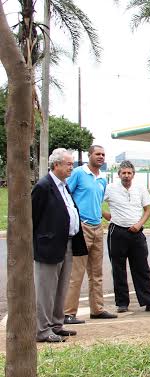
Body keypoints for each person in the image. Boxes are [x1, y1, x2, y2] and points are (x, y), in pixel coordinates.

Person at [32, 148, 88, 342]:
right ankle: (42, 330)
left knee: (61, 287)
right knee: (45, 290)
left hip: (67, 243)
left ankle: (56, 324)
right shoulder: (43, 186)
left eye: (72, 164)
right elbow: (33, 218)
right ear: (56, 165)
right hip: (49, 246)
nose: (71, 167)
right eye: (68, 164)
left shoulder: (64, 185)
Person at [64, 145, 117, 323]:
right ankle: (68, 313)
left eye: (103, 154)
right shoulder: (79, 173)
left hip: (97, 228)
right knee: (76, 273)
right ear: (89, 156)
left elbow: (96, 201)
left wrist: (103, 215)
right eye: (97, 154)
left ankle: (97, 309)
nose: (101, 157)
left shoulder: (102, 179)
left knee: (97, 273)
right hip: (82, 227)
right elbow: (66, 195)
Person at [103, 160, 150, 314]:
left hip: (136, 233)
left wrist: (139, 224)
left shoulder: (140, 188)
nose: (126, 176)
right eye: (124, 173)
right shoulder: (110, 189)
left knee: (142, 268)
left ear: (133, 174)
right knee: (118, 269)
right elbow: (96, 203)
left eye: (129, 173)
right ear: (119, 174)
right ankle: (122, 303)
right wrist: (107, 216)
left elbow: (148, 210)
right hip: (117, 232)